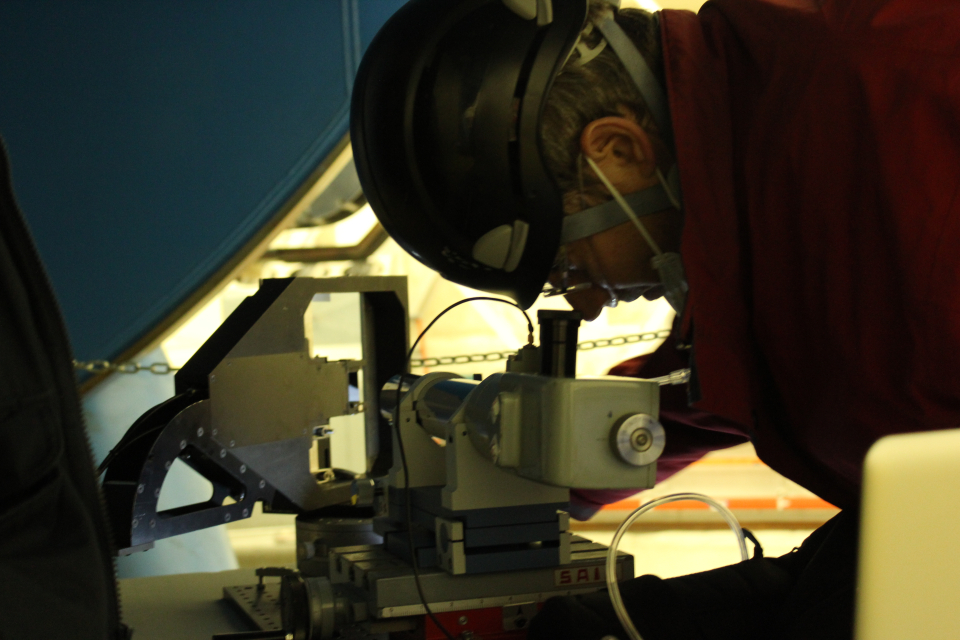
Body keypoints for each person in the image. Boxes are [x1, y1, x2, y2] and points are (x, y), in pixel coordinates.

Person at [351, 0, 960, 637]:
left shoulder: (907, 90)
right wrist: (552, 472)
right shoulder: (768, 163)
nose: (584, 303)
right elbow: (761, 356)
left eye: (567, 266)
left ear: (618, 149)